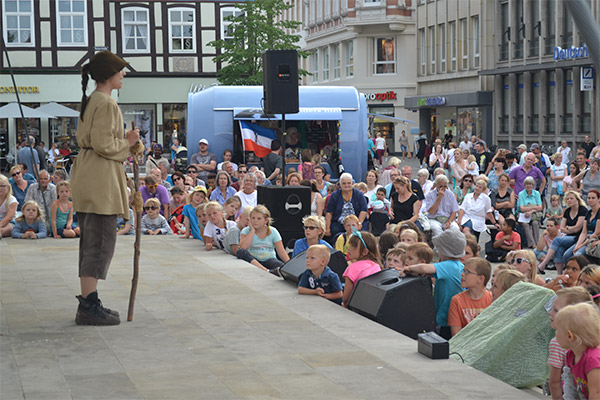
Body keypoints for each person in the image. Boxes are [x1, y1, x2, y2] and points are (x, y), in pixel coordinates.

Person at [69, 50, 141, 325]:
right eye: (121, 70)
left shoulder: (91, 101)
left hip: (90, 173)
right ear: (109, 74)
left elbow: (100, 140)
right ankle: (88, 306)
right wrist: (129, 142)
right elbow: (105, 144)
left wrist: (127, 141)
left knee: (92, 241)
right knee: (99, 243)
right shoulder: (106, 103)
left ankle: (91, 300)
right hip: (100, 178)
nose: (123, 74)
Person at [398, 225, 466, 340]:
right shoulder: (458, 266)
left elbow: (425, 268)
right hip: (451, 315)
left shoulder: (448, 265)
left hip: (447, 316)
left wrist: (409, 268)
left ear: (443, 251)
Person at [547, 287, 594, 400]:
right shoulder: (590, 339)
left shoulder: (557, 343)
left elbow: (554, 382)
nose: (550, 312)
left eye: (556, 310)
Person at [554, 303, 600, 400]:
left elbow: (596, 394)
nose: (555, 333)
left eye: (558, 330)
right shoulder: (570, 355)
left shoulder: (593, 360)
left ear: (570, 336)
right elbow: (571, 388)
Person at [538, 191, 588, 275]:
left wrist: (568, 228)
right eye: (567, 199)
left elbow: (577, 228)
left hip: (578, 237)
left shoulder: (582, 210)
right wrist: (569, 229)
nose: (569, 200)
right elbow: (562, 228)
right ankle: (560, 275)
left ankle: (543, 265)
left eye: (571, 198)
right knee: (559, 249)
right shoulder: (567, 211)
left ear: (577, 199)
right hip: (568, 236)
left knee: (557, 241)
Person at [447, 257, 492, 336]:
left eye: (467, 272)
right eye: (463, 271)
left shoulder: (492, 300)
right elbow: (455, 334)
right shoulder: (456, 300)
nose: (462, 274)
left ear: (481, 278)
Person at [238, 205, 290, 273]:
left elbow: (282, 252)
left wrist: (289, 265)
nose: (255, 221)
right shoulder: (246, 230)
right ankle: (266, 271)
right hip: (253, 260)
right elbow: (243, 247)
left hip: (269, 259)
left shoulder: (273, 231)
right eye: (253, 218)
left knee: (279, 266)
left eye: (259, 218)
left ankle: (276, 271)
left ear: (265, 221)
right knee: (240, 252)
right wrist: (252, 231)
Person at [341, 231, 382, 307]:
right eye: (349, 245)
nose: (348, 248)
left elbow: (346, 299)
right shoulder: (377, 266)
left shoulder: (352, 267)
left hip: (355, 307)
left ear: (365, 252)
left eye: (353, 246)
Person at [325, 173, 368, 238]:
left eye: (349, 183)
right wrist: (327, 228)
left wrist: (359, 223)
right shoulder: (334, 195)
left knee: (362, 233)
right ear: (340, 184)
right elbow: (329, 212)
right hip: (339, 223)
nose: (346, 185)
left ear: (352, 183)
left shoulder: (358, 194)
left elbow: (364, 210)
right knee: (335, 230)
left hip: (356, 221)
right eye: (344, 183)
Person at [516, 176, 543, 248]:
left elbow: (540, 207)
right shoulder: (521, 194)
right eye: (527, 184)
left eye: (530, 184)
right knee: (525, 225)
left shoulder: (536, 193)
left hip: (534, 214)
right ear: (524, 185)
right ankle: (532, 244)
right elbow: (521, 208)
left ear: (533, 185)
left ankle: (537, 243)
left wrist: (530, 210)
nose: (529, 186)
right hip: (523, 215)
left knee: (535, 223)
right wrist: (534, 207)